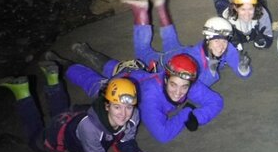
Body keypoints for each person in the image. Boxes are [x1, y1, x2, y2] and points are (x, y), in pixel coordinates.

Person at [0, 63, 151, 152]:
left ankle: (52, 79)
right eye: (117, 107)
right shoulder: (91, 129)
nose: (124, 113)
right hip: (62, 131)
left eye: (128, 107)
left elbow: (126, 140)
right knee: (35, 141)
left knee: (60, 113)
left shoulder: (133, 115)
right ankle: (22, 93)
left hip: (73, 117)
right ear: (106, 106)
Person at [64, 47, 225, 144]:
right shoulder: (150, 97)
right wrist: (185, 114)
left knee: (114, 67)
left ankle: (84, 50)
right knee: (93, 84)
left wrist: (197, 117)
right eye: (173, 85)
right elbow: (163, 135)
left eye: (184, 87)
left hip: (136, 74)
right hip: (123, 84)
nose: (178, 92)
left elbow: (216, 101)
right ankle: (61, 63)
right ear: (166, 78)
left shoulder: (185, 78)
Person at [120, 0, 251, 87]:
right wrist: (212, 67)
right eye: (217, 41)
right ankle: (141, 11)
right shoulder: (194, 60)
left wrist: (243, 67)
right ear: (208, 39)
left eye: (224, 41)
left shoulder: (225, 47)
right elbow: (196, 85)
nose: (221, 46)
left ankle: (160, 6)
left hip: (182, 51)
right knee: (142, 54)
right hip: (173, 59)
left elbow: (242, 72)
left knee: (170, 40)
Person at [206, 0, 274, 50]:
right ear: (235, 8)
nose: (247, 14)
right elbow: (218, 46)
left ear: (255, 7)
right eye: (243, 9)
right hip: (235, 30)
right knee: (220, 3)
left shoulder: (262, 13)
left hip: (254, 31)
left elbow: (269, 37)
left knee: (262, 2)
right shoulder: (227, 18)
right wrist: (230, 43)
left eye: (250, 9)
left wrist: (263, 41)